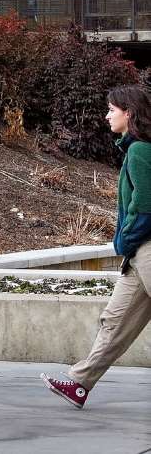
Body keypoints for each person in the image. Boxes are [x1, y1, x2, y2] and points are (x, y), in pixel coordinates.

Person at [41, 84, 151, 409]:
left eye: (111, 110)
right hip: (138, 253)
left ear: (129, 113)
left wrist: (125, 239)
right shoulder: (137, 149)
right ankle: (79, 384)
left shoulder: (140, 151)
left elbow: (146, 205)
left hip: (146, 247)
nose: (107, 115)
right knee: (114, 320)